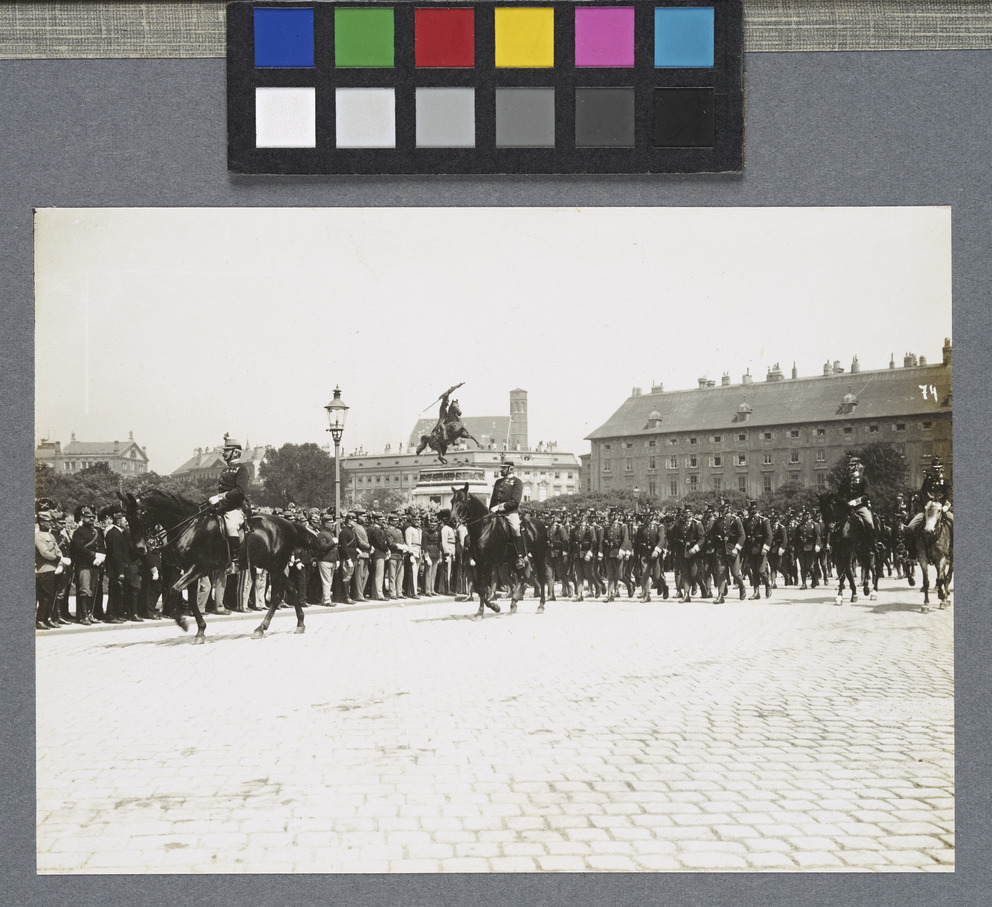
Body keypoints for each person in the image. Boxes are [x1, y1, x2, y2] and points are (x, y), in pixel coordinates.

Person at [207, 434, 251, 570]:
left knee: (231, 526)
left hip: (234, 509)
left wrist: (220, 497)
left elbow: (240, 490)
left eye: (226, 450)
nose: (223, 453)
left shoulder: (241, 469)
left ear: (235, 452)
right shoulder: (226, 469)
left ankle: (235, 561)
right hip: (222, 508)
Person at [70, 504, 106, 625]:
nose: (91, 519)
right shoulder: (78, 532)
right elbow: (79, 548)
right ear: (82, 518)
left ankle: (90, 614)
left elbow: (101, 546)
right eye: (88, 516)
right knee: (84, 590)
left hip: (95, 565)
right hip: (84, 564)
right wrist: (94, 555)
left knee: (93, 590)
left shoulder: (97, 531)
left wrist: (101, 557)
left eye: (92, 516)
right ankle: (82, 616)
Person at [489, 459, 527, 569]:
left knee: (515, 528)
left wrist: (499, 507)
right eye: (502, 468)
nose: (502, 470)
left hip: (510, 512)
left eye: (504, 468)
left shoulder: (517, 482)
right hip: (495, 512)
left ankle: (520, 556)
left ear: (511, 469)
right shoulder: (498, 482)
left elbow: (515, 502)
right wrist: (490, 509)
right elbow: (493, 499)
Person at [35, 510, 66, 629]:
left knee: (53, 595)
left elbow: (57, 549)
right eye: (47, 522)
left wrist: (61, 559)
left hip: (56, 568)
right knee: (46, 596)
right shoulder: (38, 536)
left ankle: (48, 618)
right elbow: (44, 553)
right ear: (41, 523)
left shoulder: (51, 536)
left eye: (50, 521)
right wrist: (58, 559)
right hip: (45, 569)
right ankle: (40, 619)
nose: (50, 524)